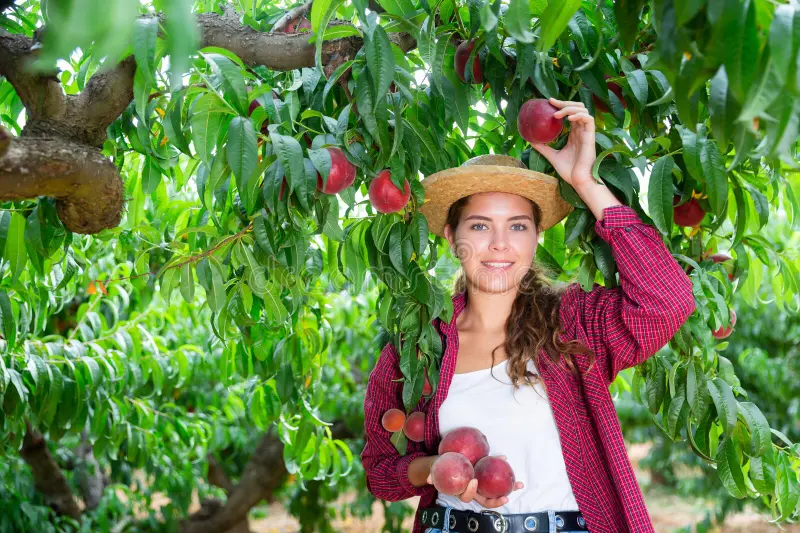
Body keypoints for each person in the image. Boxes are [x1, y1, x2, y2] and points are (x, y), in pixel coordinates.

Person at [361, 98, 696, 533]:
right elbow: (380, 471)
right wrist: (436, 468)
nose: (500, 243)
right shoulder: (420, 348)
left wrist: (586, 182)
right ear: (451, 236)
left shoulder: (572, 324)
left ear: (537, 236)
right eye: (479, 225)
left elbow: (667, 300)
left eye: (518, 226)